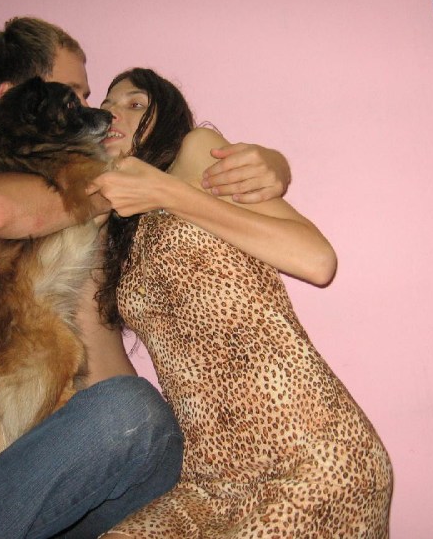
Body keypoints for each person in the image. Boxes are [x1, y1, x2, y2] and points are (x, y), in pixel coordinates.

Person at [0, 18, 292, 538]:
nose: (92, 110)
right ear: (14, 94)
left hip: (126, 459)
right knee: (130, 409)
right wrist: (114, 190)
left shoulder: (104, 170)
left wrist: (273, 164)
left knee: (166, 438)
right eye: (74, 93)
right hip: (16, 452)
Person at [90, 68, 394, 538]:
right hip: (207, 481)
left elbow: (316, 260)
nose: (114, 114)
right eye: (106, 107)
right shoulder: (118, 225)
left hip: (312, 456)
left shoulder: (193, 151)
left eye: (135, 104)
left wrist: (169, 192)